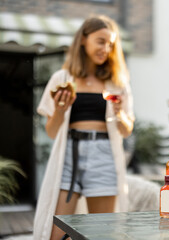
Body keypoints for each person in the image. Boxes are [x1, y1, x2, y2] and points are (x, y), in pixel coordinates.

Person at [34, 15, 135, 240]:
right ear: (83, 40)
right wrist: (61, 109)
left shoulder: (117, 83)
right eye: (101, 41)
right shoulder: (62, 78)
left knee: (101, 234)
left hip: (103, 155)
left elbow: (127, 130)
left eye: (111, 44)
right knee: (56, 235)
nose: (106, 49)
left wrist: (119, 114)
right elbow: (51, 132)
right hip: (69, 154)